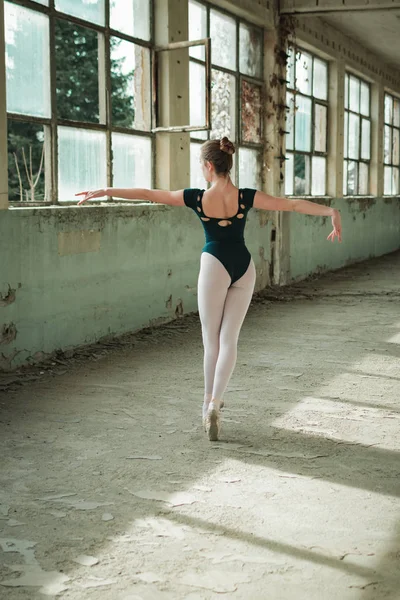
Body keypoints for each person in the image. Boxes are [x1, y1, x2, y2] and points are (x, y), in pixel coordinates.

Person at [76, 136, 342, 442]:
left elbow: (150, 194)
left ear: (208, 166)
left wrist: (107, 190)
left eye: (201, 166)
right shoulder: (246, 196)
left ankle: (206, 406)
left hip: (214, 262)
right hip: (243, 265)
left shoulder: (197, 198)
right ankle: (217, 401)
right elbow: (291, 204)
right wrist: (330, 213)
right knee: (229, 340)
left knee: (210, 341)